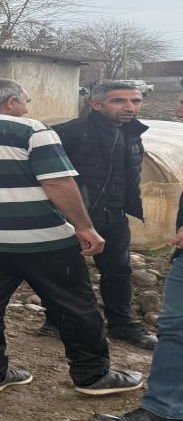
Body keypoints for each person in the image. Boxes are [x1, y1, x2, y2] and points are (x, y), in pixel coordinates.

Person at [0, 78, 143, 396]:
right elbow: (57, 183)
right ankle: (92, 376)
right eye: (24, 101)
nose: (26, 108)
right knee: (75, 304)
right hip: (41, 239)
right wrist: (84, 226)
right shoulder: (31, 131)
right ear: (10, 102)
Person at [38, 81, 156, 348]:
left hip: (113, 215)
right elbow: (46, 177)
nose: (130, 107)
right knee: (64, 271)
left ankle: (121, 325)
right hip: (70, 216)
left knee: (119, 271)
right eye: (119, 101)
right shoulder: (68, 133)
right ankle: (57, 321)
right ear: (96, 104)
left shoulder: (132, 133)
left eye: (135, 101)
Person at [96, 91, 183, 421]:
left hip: (115, 217)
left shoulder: (133, 135)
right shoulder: (74, 132)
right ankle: (162, 410)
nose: (176, 110)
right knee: (175, 330)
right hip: (91, 219)